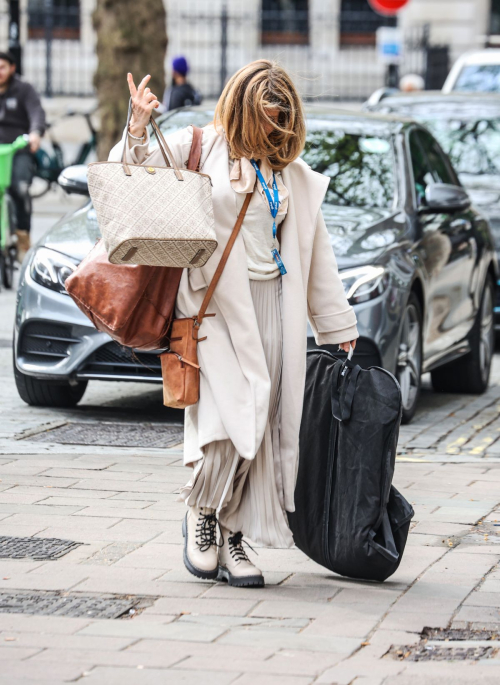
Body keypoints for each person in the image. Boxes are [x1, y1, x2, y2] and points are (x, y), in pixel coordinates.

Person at [109, 60, 358, 587]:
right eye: (266, 116)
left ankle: (234, 533)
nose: (273, 128)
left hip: (275, 308)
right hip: (212, 311)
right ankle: (201, 516)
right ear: (242, 109)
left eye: (281, 118)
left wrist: (336, 323)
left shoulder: (289, 173)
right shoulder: (201, 145)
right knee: (226, 425)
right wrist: (136, 124)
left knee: (264, 426)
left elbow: (317, 252)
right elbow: (132, 171)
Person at [0, 51, 46, 259]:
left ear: (11, 69)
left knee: (20, 189)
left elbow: (36, 112)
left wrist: (35, 133)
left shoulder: (24, 90)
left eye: (2, 67)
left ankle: (22, 238)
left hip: (18, 150)